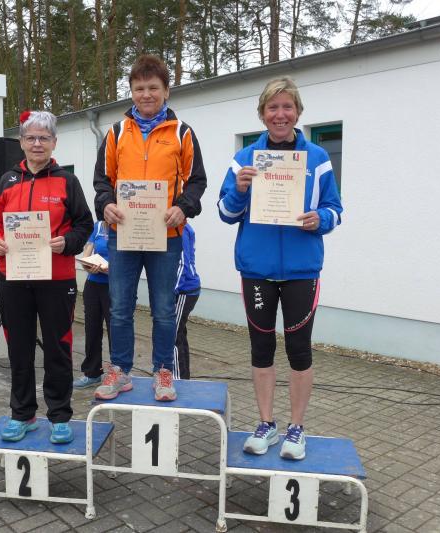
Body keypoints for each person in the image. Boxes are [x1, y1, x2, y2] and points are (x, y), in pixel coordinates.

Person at [218, 77, 343, 460]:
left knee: (299, 350)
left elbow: (336, 210)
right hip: (257, 269)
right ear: (262, 114)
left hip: (302, 270)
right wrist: (239, 190)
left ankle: (297, 428)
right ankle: (266, 424)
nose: (280, 114)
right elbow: (225, 213)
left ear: (298, 113)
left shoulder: (317, 158)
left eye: (287, 107)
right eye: (273, 107)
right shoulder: (245, 159)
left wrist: (320, 219)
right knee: (261, 349)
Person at [93, 54, 207, 402]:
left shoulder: (182, 132)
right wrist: (106, 204)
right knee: (119, 308)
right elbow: (102, 181)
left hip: (166, 236)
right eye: (139, 88)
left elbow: (197, 181)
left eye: (153, 88)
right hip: (124, 234)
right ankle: (120, 371)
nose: (146, 94)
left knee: (163, 309)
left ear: (166, 91)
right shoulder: (116, 133)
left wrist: (182, 207)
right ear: (131, 92)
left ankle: (162, 371)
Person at [0, 110, 93, 444]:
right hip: (13, 277)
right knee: (19, 349)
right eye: (30, 137)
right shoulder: (8, 180)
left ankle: (59, 416)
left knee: (58, 348)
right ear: (21, 142)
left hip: (57, 279)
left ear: (54, 142)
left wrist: (68, 242)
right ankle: (23, 414)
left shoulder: (67, 181)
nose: (37, 143)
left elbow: (84, 224)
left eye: (43, 138)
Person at [73, 221, 110, 389]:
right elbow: (87, 253)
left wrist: (111, 270)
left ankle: (119, 373)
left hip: (114, 286)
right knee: (92, 329)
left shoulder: (125, 228)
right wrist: (87, 266)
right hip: (93, 284)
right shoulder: (98, 226)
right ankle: (92, 373)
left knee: (115, 330)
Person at [172, 222, 200, 380]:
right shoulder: (185, 228)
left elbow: (182, 264)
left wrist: (170, 292)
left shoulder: (180, 229)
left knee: (171, 335)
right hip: (186, 289)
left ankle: (176, 379)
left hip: (184, 290)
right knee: (179, 334)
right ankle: (184, 377)